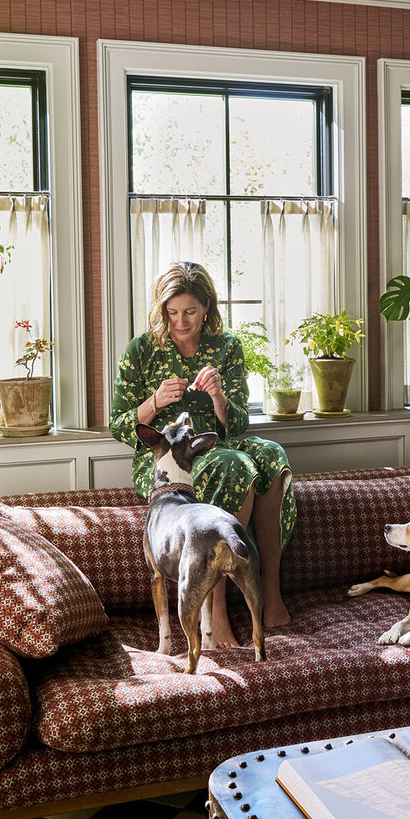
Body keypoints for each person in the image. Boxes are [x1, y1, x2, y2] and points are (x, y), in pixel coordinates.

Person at [109, 261, 295, 648]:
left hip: (215, 444)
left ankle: (270, 590)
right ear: (162, 310)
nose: (181, 322)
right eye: (172, 312)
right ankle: (218, 609)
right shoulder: (140, 351)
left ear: (207, 307)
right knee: (233, 465)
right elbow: (119, 426)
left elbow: (237, 423)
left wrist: (218, 397)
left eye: (190, 312)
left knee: (271, 455)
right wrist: (155, 401)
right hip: (167, 461)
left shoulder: (227, 347)